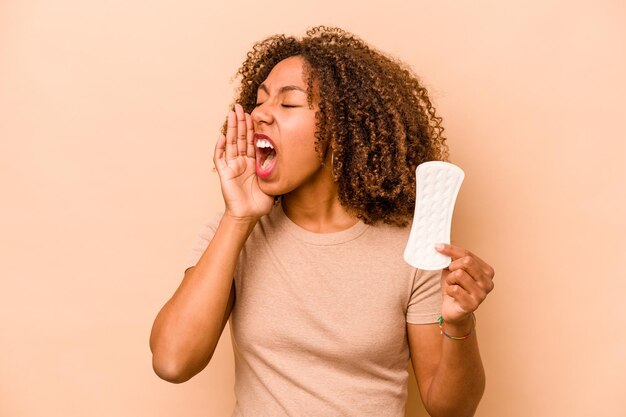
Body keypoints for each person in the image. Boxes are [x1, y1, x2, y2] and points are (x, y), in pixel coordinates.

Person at [149, 26, 495, 417]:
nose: (260, 113)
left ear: (342, 129)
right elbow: (172, 362)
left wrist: (460, 321)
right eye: (259, 101)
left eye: (288, 104)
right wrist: (238, 218)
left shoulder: (412, 249)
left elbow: (451, 408)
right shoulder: (233, 233)